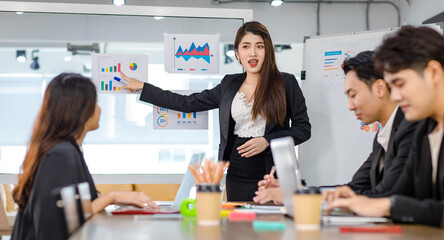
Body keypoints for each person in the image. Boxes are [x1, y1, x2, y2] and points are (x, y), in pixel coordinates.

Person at [120, 21, 311, 201]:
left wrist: (267, 141)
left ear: (267, 50)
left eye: (259, 46)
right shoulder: (229, 83)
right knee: (239, 227)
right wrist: (144, 88)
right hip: (236, 171)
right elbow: (187, 103)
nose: (253, 53)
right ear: (237, 53)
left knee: (271, 228)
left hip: (272, 173)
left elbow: (303, 129)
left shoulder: (285, 83)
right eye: (245, 47)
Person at [254, 51, 417, 204]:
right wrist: (297, 191)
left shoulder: (410, 129)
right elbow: (353, 188)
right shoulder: (383, 136)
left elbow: (387, 195)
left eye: (353, 95)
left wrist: (297, 196)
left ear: (380, 88)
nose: (350, 106)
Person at [11, 73, 158, 240]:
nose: (99, 109)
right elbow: (61, 220)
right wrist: (112, 197)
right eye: (96, 103)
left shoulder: (66, 150)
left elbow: (73, 209)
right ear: (80, 110)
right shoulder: (60, 155)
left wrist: (113, 199)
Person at [326, 26, 444, 227]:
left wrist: (388, 206)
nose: (395, 96)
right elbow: (402, 193)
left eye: (400, 83)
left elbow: (395, 199)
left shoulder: (413, 127)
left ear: (433, 72)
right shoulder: (425, 129)